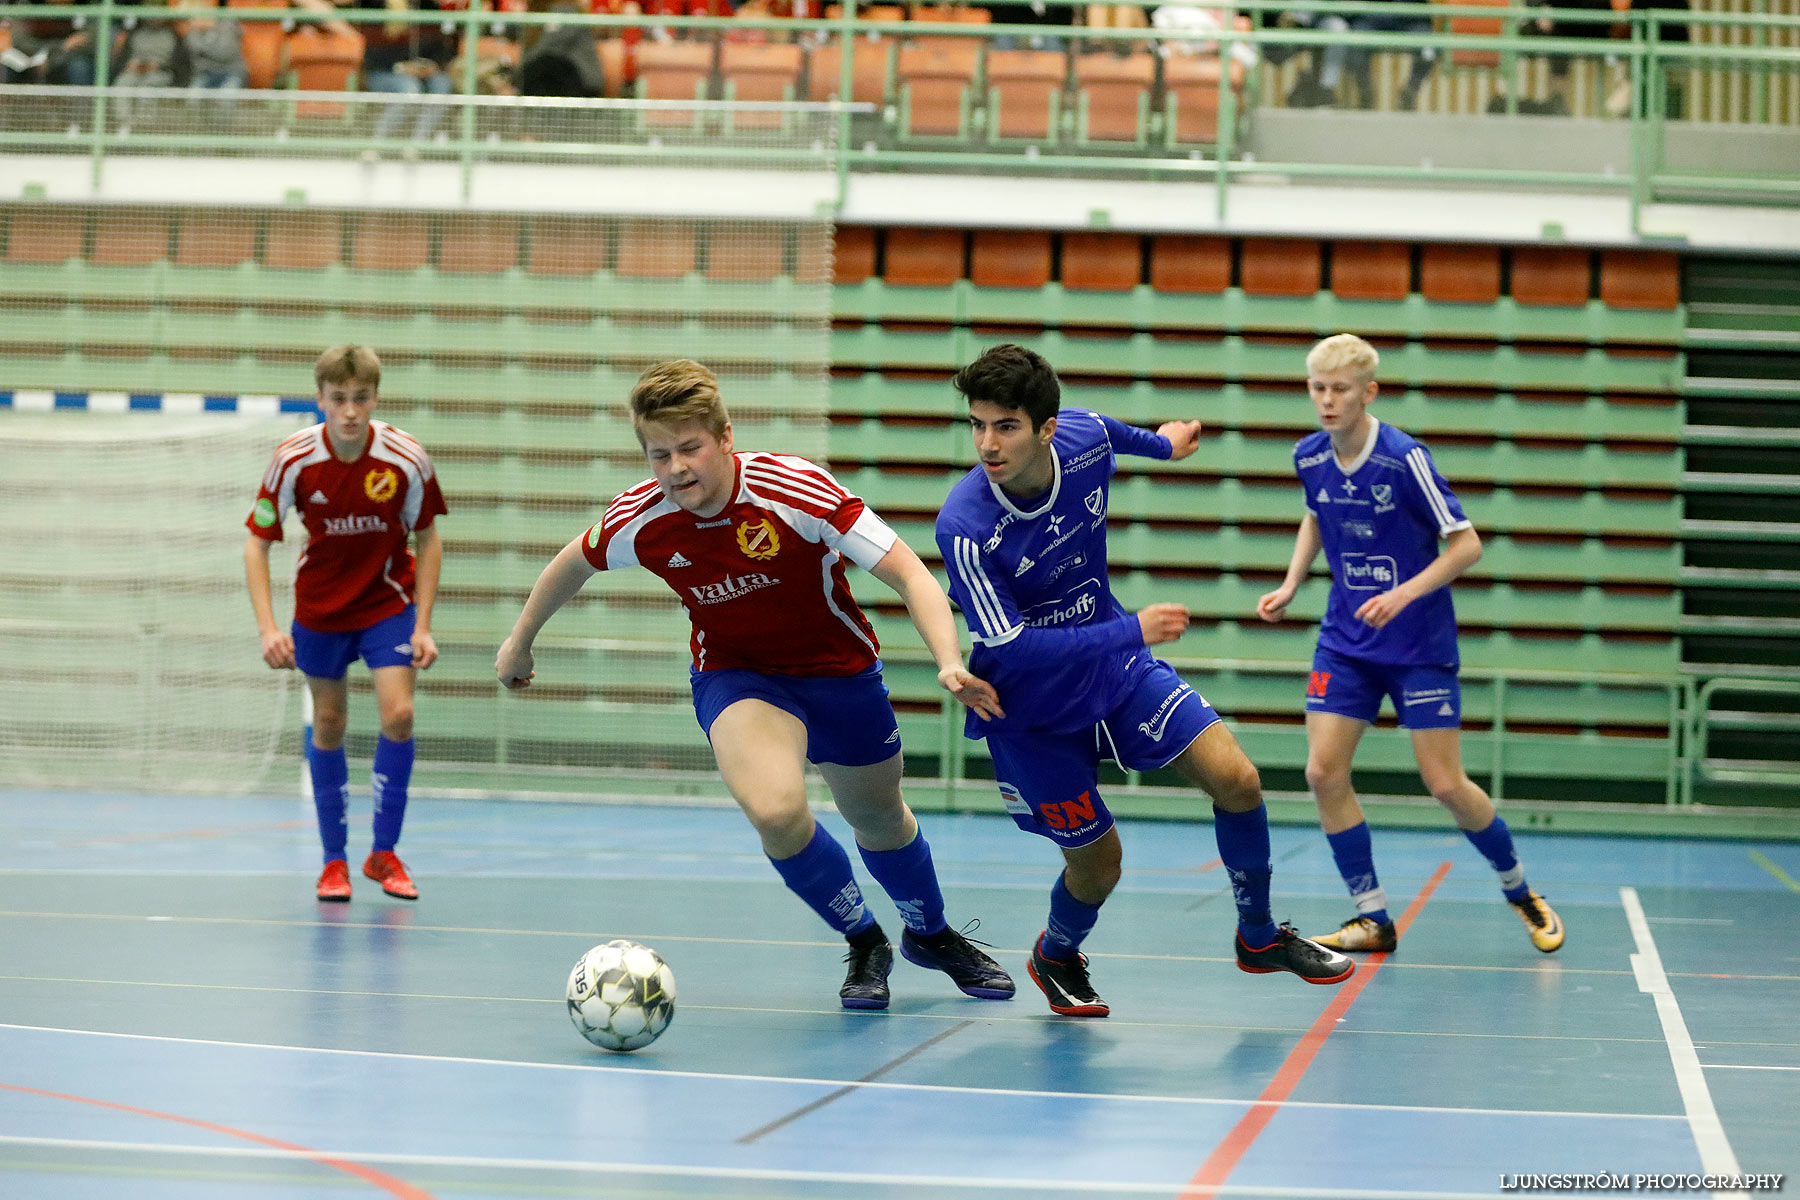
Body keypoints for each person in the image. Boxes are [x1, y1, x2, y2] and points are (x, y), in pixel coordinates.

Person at [495, 360, 1016, 1011]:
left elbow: (911, 575)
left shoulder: (794, 492)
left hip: (839, 674)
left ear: (725, 437)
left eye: (691, 448)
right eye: (660, 454)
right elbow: (571, 563)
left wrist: (946, 660)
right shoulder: (643, 518)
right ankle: (864, 940)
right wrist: (520, 643)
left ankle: (931, 934)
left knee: (879, 817)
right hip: (738, 677)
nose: (678, 467)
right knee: (775, 811)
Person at [934, 344, 1355, 1019]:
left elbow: (1123, 435)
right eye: (977, 425)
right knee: (1100, 864)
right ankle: (1058, 954)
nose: (987, 442)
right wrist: (1131, 630)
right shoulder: (965, 528)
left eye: (1005, 425)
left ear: (1046, 427)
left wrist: (1167, 445)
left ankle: (1258, 937)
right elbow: (1013, 647)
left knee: (1239, 780)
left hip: (1115, 671)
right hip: (1031, 707)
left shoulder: (1082, 435)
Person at [1255, 334, 1565, 954]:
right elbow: (1317, 514)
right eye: (1318, 388)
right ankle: (1372, 917)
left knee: (1446, 785)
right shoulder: (1310, 456)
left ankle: (1519, 888)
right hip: (1346, 641)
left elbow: (1467, 544)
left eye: (1340, 389)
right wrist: (1293, 581)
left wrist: (1403, 594)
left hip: (1418, 645)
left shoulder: (1403, 459)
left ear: (1369, 392)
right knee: (1322, 771)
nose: (1327, 400)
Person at [245, 345, 446, 904]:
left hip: (387, 604)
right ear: (321, 401)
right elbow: (256, 546)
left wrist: (423, 625)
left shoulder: (405, 457)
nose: (351, 411)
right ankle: (333, 862)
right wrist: (268, 628)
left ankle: (384, 854)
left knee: (399, 713)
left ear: (375, 398)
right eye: (339, 400)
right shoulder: (293, 460)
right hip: (322, 610)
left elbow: (428, 541)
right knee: (329, 723)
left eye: (361, 399)